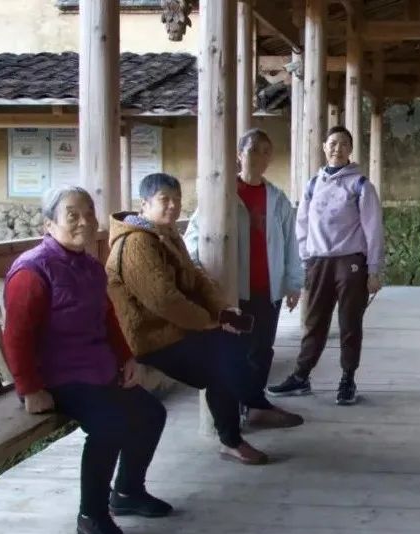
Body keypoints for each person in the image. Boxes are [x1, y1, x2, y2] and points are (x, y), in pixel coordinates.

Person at [3, 186, 169, 534]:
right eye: (72, 215)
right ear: (49, 224)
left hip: (96, 370)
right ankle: (91, 515)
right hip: (56, 377)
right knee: (110, 425)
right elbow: (16, 336)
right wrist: (30, 389)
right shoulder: (32, 271)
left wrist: (126, 358)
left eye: (89, 213)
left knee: (151, 413)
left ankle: (127, 493)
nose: (84, 221)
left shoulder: (90, 265)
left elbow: (107, 319)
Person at [107, 173, 303, 468]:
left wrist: (222, 310)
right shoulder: (136, 243)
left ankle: (247, 416)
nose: (172, 206)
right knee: (223, 364)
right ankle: (241, 424)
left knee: (236, 345)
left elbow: (196, 277)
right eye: (164, 200)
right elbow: (164, 300)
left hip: (174, 329)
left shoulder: (166, 234)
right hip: (150, 338)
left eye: (176, 199)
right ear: (144, 204)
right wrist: (208, 322)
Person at [184, 128, 304, 422]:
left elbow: (291, 242)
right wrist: (201, 273)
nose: (260, 157)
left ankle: (255, 404)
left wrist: (293, 282)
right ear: (239, 155)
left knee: (262, 349)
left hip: (268, 288)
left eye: (266, 151)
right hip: (234, 290)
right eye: (253, 150)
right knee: (235, 349)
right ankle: (235, 405)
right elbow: (195, 235)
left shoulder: (277, 198)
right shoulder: (224, 194)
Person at [267, 126, 384, 405]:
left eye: (343, 144)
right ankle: (301, 376)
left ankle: (347, 379)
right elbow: (302, 225)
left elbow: (373, 229)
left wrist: (374, 269)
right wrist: (304, 260)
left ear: (350, 149)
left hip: (350, 262)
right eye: (332, 143)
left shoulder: (360, 185)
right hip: (318, 262)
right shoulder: (313, 184)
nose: (337, 149)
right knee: (314, 321)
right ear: (324, 147)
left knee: (349, 323)